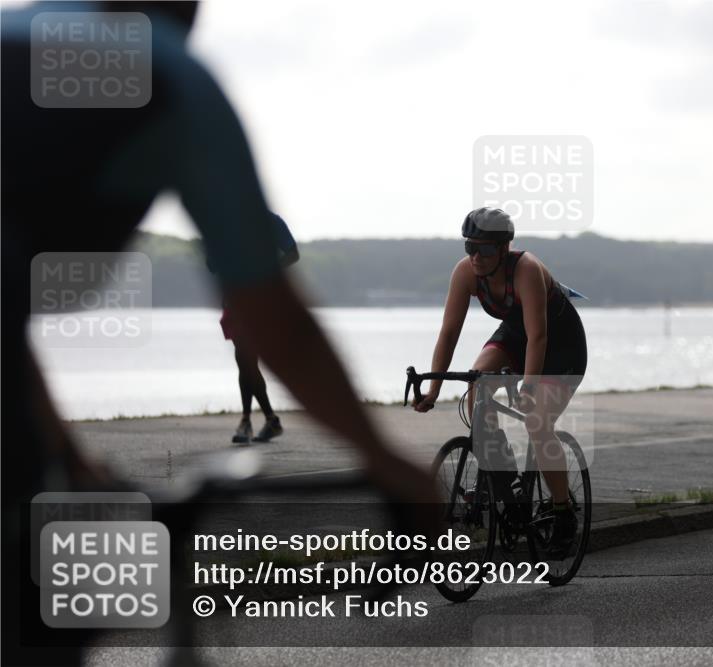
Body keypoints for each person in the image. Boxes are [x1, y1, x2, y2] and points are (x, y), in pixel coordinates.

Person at [2, 3, 437, 663]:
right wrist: (390, 463)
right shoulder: (169, 72)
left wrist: (67, 451)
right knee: (54, 599)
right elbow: (279, 318)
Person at [413, 207, 588, 556]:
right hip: (516, 334)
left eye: (485, 249)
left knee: (538, 421)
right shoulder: (466, 272)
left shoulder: (526, 269)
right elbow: (449, 333)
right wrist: (433, 390)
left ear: (504, 248)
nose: (476, 256)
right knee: (477, 381)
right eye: (469, 247)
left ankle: (562, 510)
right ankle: (502, 473)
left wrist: (530, 387)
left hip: (560, 343)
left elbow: (539, 337)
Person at [219, 212, 299, 443]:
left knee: (245, 357)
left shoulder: (270, 220)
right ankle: (267, 420)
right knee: (245, 360)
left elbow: (293, 253)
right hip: (235, 298)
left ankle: (250, 421)